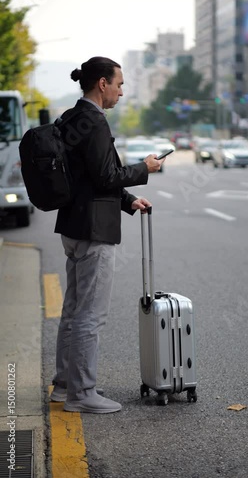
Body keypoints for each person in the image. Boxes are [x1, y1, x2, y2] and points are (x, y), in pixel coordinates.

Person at [50, 56, 165, 414]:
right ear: (102, 84)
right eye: (119, 83)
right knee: (90, 315)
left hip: (72, 225)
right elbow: (106, 177)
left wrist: (129, 201)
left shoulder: (70, 117)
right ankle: (82, 394)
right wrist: (144, 168)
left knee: (72, 311)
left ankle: (64, 385)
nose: (121, 91)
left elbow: (91, 176)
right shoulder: (95, 122)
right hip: (94, 231)